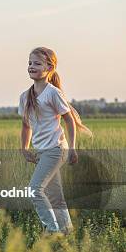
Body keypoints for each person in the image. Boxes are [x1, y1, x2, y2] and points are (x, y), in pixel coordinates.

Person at [18, 47, 91, 234]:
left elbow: (69, 120)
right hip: (41, 152)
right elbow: (26, 126)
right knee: (55, 196)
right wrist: (24, 148)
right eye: (30, 63)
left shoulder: (53, 93)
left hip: (56, 149)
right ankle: (67, 233)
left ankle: (52, 231)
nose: (31, 66)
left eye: (37, 63)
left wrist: (73, 148)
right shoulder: (25, 97)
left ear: (49, 67)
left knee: (35, 189)